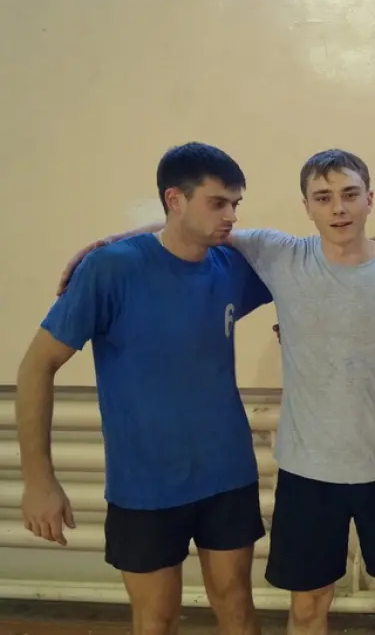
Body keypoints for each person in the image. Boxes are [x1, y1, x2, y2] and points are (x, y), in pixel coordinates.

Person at [52, 148, 375, 635]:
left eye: (350, 194)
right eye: (323, 197)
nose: (338, 208)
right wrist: (112, 241)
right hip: (307, 471)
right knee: (308, 606)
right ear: (305, 206)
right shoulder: (279, 254)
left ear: (369, 198)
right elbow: (191, 226)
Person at [16, 142, 271, 635]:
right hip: (146, 486)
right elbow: (36, 367)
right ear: (175, 199)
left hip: (227, 474)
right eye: (218, 203)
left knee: (237, 606)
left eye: (235, 204)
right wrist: (39, 481)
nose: (231, 216)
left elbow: (317, 269)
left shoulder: (232, 265)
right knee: (157, 619)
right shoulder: (112, 268)